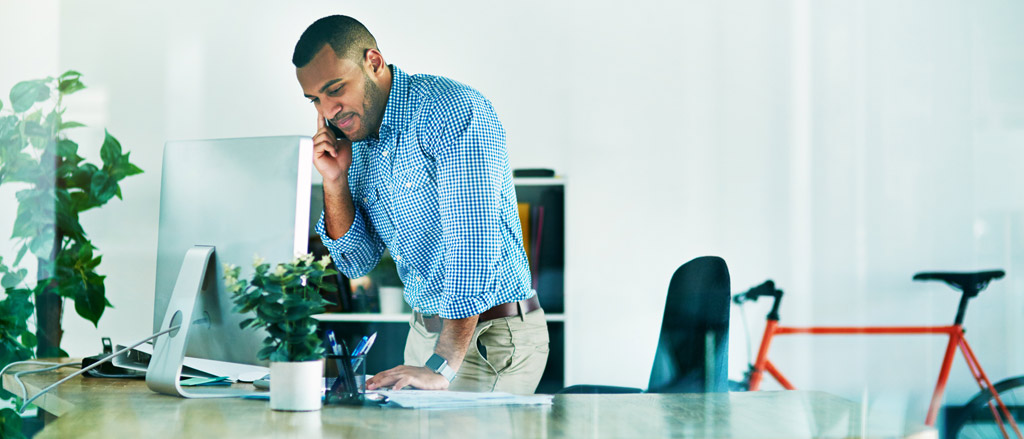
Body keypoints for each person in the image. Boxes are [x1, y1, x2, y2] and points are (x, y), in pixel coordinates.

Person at [293, 15, 549, 394]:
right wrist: (335, 180)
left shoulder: (452, 112)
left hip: (489, 340)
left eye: (335, 89)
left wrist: (441, 364)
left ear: (374, 62)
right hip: (424, 335)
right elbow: (356, 261)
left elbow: (473, 247)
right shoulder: (357, 139)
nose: (329, 110)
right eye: (316, 99)